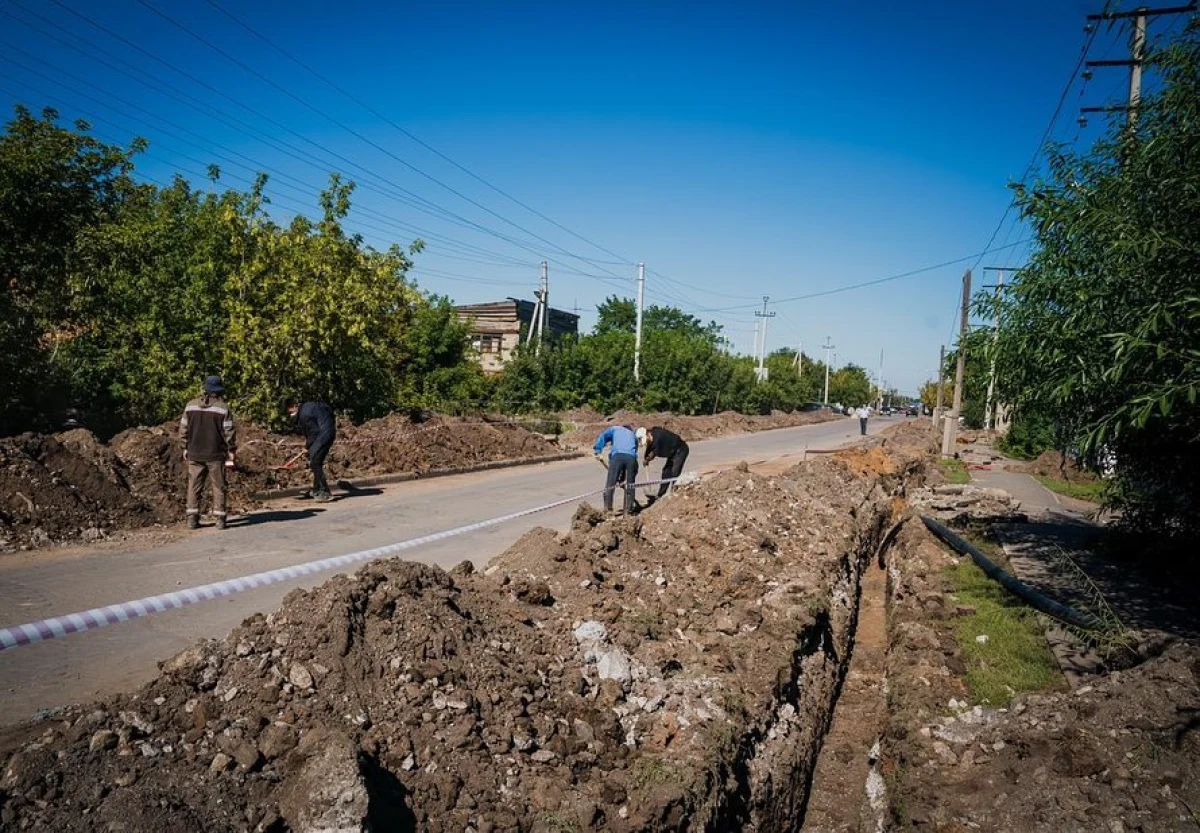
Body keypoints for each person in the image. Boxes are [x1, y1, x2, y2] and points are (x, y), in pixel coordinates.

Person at [180, 375, 237, 530]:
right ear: (219, 391)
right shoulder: (223, 408)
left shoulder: (190, 406)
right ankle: (220, 519)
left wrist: (184, 447)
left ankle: (192, 518)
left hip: (194, 452)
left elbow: (183, 429)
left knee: (194, 486)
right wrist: (231, 450)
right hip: (215, 454)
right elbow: (229, 432)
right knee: (218, 486)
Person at [286, 398, 337, 502]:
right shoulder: (307, 406)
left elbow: (313, 432)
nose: (290, 414)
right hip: (327, 432)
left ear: (295, 406)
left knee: (315, 462)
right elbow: (328, 410)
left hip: (323, 435)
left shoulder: (304, 415)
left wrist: (307, 447)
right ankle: (316, 489)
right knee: (315, 461)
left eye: (290, 411)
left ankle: (325, 492)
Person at [593, 423, 639, 514]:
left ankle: (608, 509)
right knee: (630, 485)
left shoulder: (615, 429)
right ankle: (628, 511)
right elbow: (633, 454)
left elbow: (604, 436)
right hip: (631, 459)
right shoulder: (633, 435)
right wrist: (623, 478)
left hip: (617, 456)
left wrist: (598, 450)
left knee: (610, 484)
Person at [639, 425, 689, 504]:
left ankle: (674, 492)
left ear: (648, 433)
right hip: (672, 453)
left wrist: (648, 459)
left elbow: (654, 452)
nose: (647, 442)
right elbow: (649, 448)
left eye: (646, 439)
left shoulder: (658, 437)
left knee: (675, 472)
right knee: (666, 472)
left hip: (681, 450)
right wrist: (646, 458)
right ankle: (661, 494)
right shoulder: (652, 437)